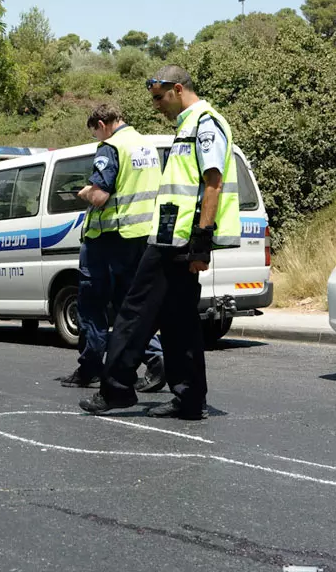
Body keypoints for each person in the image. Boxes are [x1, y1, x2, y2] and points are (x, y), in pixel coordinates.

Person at [79, 66, 242, 420]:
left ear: (178, 88)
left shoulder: (205, 123)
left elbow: (212, 182)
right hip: (173, 235)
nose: (155, 106)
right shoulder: (188, 125)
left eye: (158, 98)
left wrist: (201, 241)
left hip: (180, 240)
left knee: (133, 310)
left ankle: (117, 389)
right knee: (178, 319)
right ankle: (189, 399)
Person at [57, 104, 166, 392]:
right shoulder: (146, 147)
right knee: (128, 306)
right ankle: (156, 359)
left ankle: (91, 367)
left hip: (108, 237)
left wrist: (83, 191)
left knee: (91, 305)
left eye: (96, 133)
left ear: (103, 124)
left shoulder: (111, 147)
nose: (97, 139)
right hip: (140, 236)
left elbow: (100, 195)